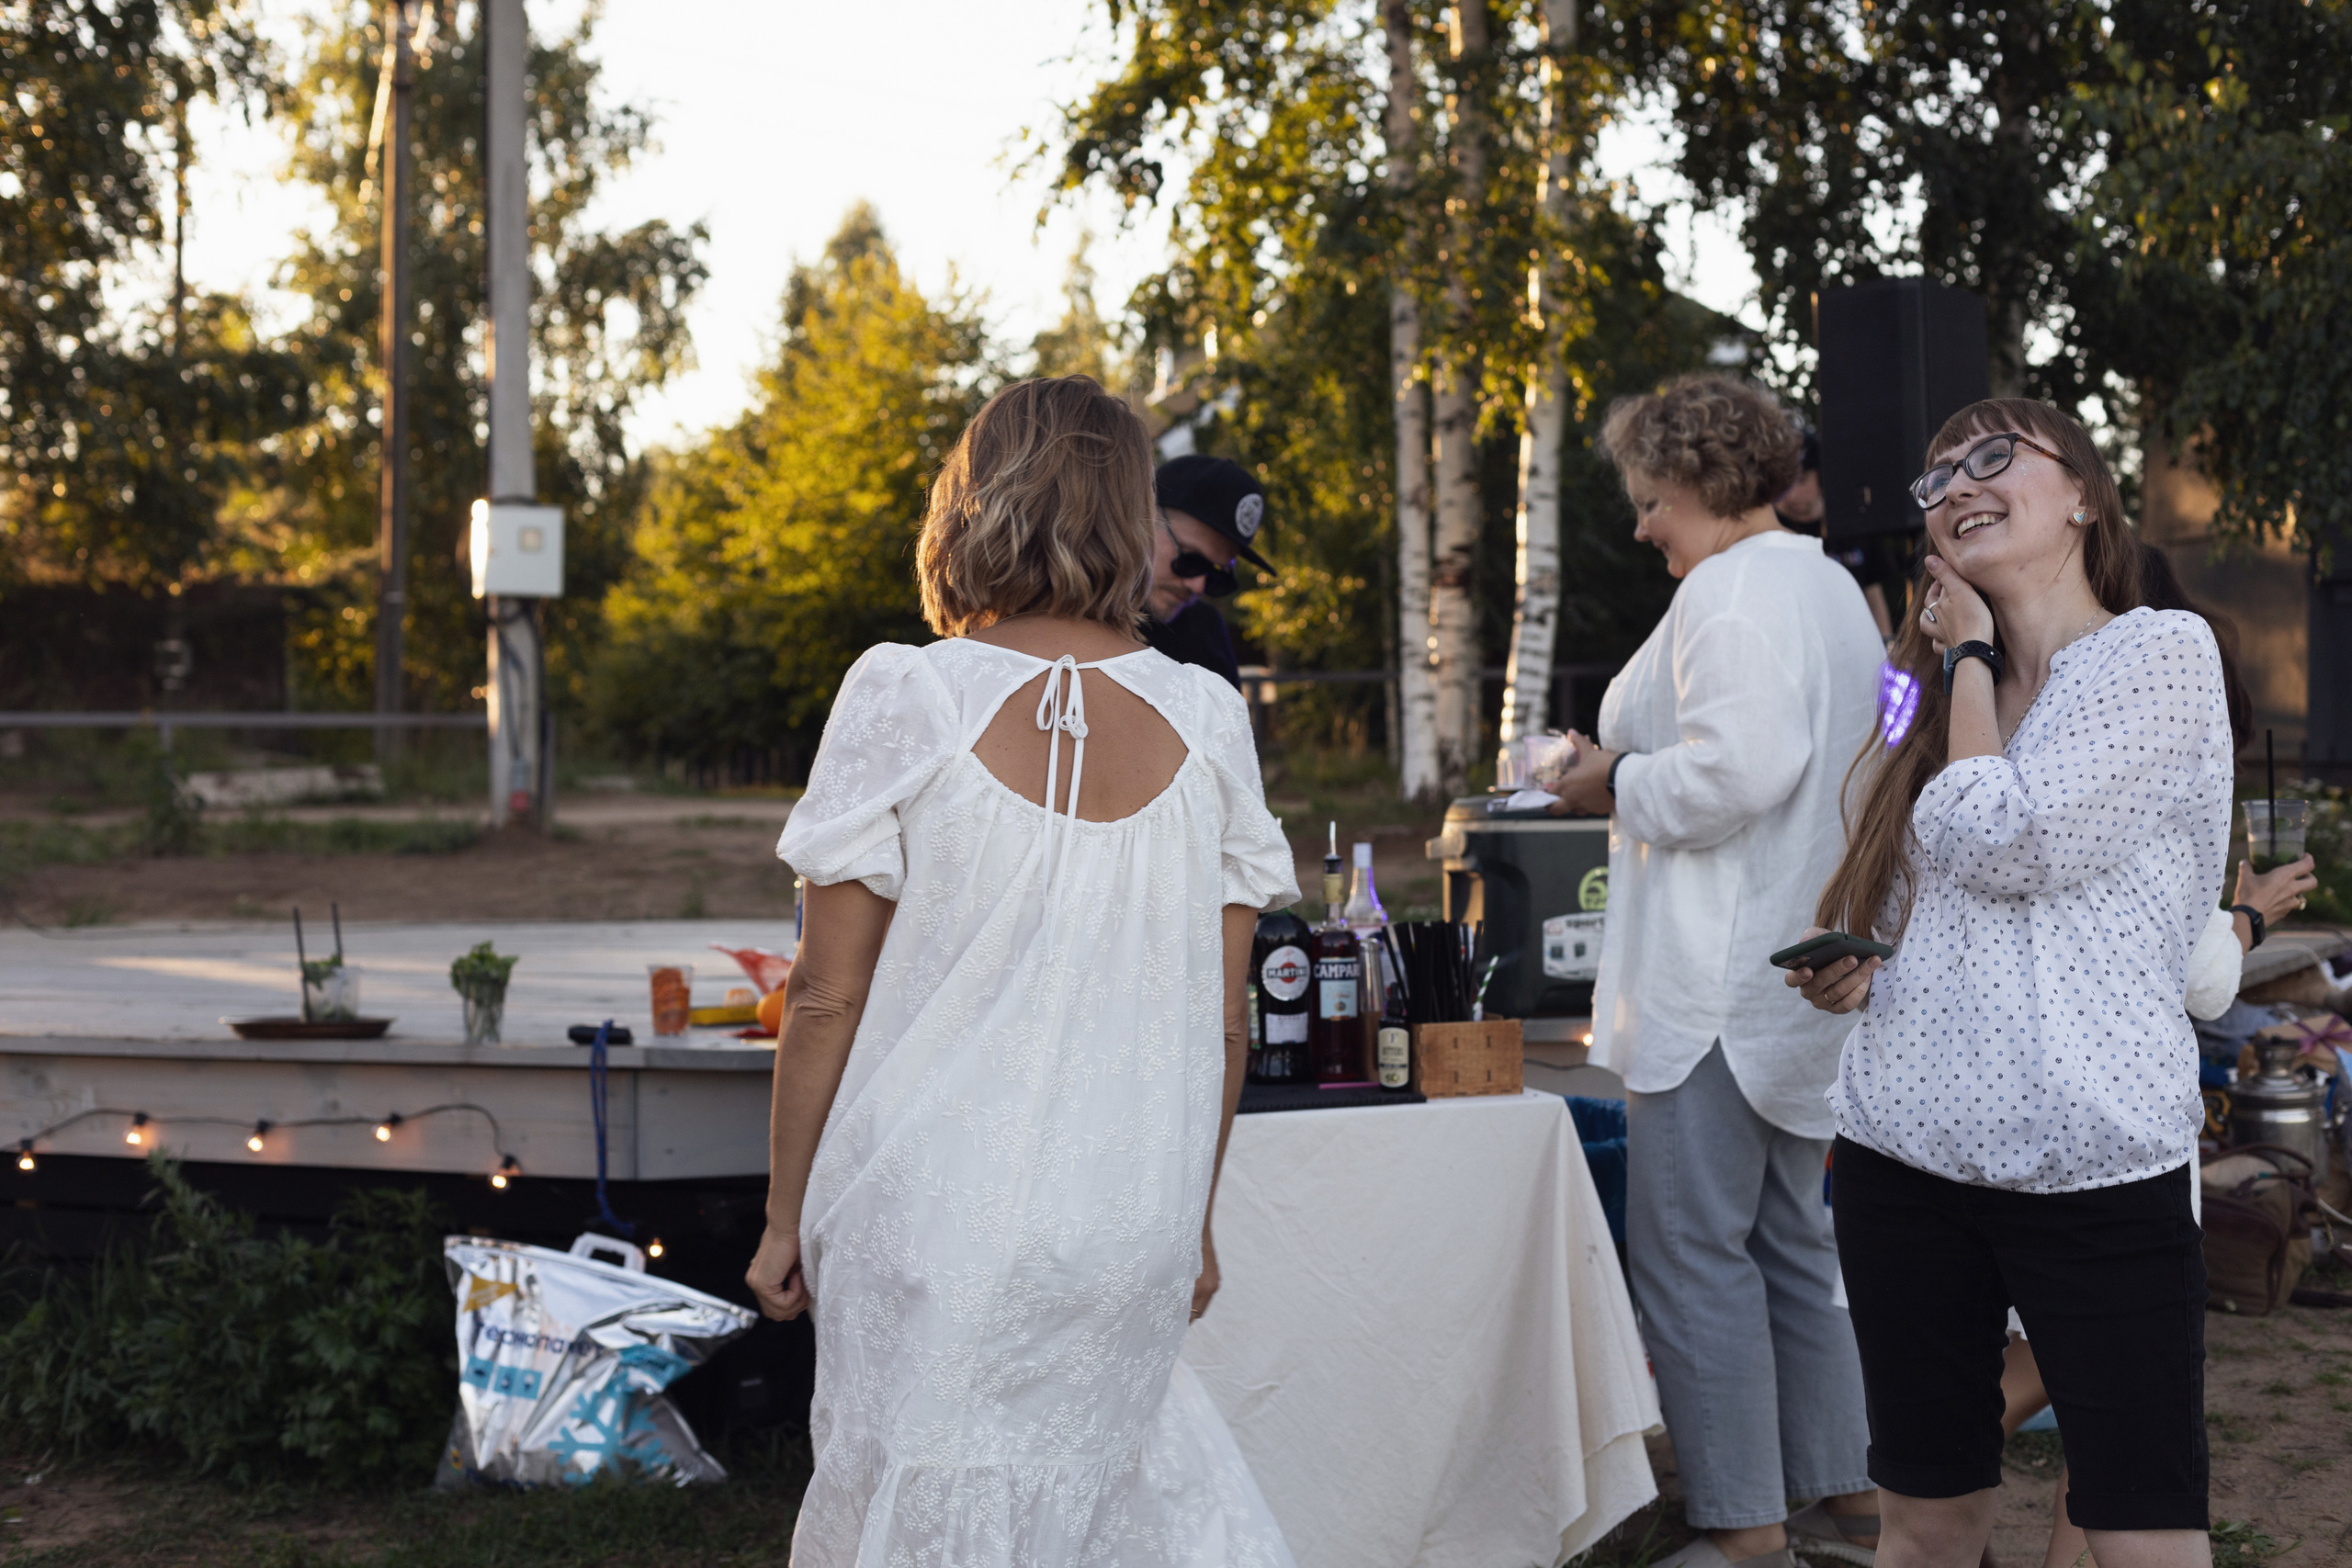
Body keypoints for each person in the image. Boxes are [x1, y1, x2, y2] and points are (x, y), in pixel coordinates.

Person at [747, 376, 1303, 1566]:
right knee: (1106, 1501)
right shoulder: (1210, 717)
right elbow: (1223, 1023)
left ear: (975, 495)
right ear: (1128, 513)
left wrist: (783, 1211)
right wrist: (1192, 1218)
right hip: (1130, 1209)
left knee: (926, 1499)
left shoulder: (907, 690)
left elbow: (827, 993)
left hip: (925, 1198)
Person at [1791, 400, 2233, 1568]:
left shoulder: (2157, 654)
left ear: (2083, 494)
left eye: (1994, 457)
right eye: (1937, 476)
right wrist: (1858, 965)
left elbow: (2009, 843)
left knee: (2140, 1531)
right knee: (1925, 1520)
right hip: (1905, 1161)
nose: (1955, 482)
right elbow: (1890, 879)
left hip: (2097, 1160)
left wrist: (1973, 657)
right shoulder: (1920, 690)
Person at [1545, 373, 1887, 1568]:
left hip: (1714, 986)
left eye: (1646, 499)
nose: (1640, 525)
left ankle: (1744, 1531)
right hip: (1793, 968)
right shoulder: (1829, 585)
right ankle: (1847, 1503)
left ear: (1692, 480)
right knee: (1794, 1241)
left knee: (1691, 1256)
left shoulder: (1734, 593)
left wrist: (1607, 781)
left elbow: (1736, 770)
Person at [1987, 541, 2315, 1568]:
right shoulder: (2137, 718)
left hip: (2029, 1103)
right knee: (2091, 1380)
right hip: (2108, 1123)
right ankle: (1898, 1481)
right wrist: (2249, 920)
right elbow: (2187, 981)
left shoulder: (2033, 718)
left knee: (2095, 1412)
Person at [1143, 454, 1273, 687]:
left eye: (1218, 575)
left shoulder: (1204, 634)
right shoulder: (1070, 608)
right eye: (1190, 559)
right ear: (1142, 515)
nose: (1198, 585)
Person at [1776, 429, 1905, 643]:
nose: (1790, 494)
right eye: (1783, 483)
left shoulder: (1851, 521)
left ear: (1821, 476)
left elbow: (1872, 591)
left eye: (1801, 480)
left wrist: (1886, 644)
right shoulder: (1771, 529)